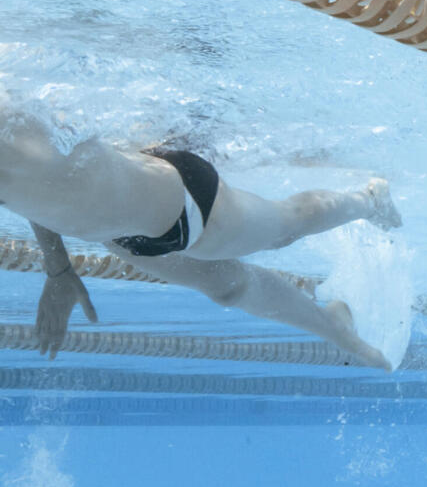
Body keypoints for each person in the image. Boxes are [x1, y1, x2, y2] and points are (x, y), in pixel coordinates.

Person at [0, 108, 401, 367]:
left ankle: (369, 200)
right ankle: (333, 326)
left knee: (284, 228)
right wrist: (57, 270)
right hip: (125, 238)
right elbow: (29, 194)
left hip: (184, 204)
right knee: (229, 290)